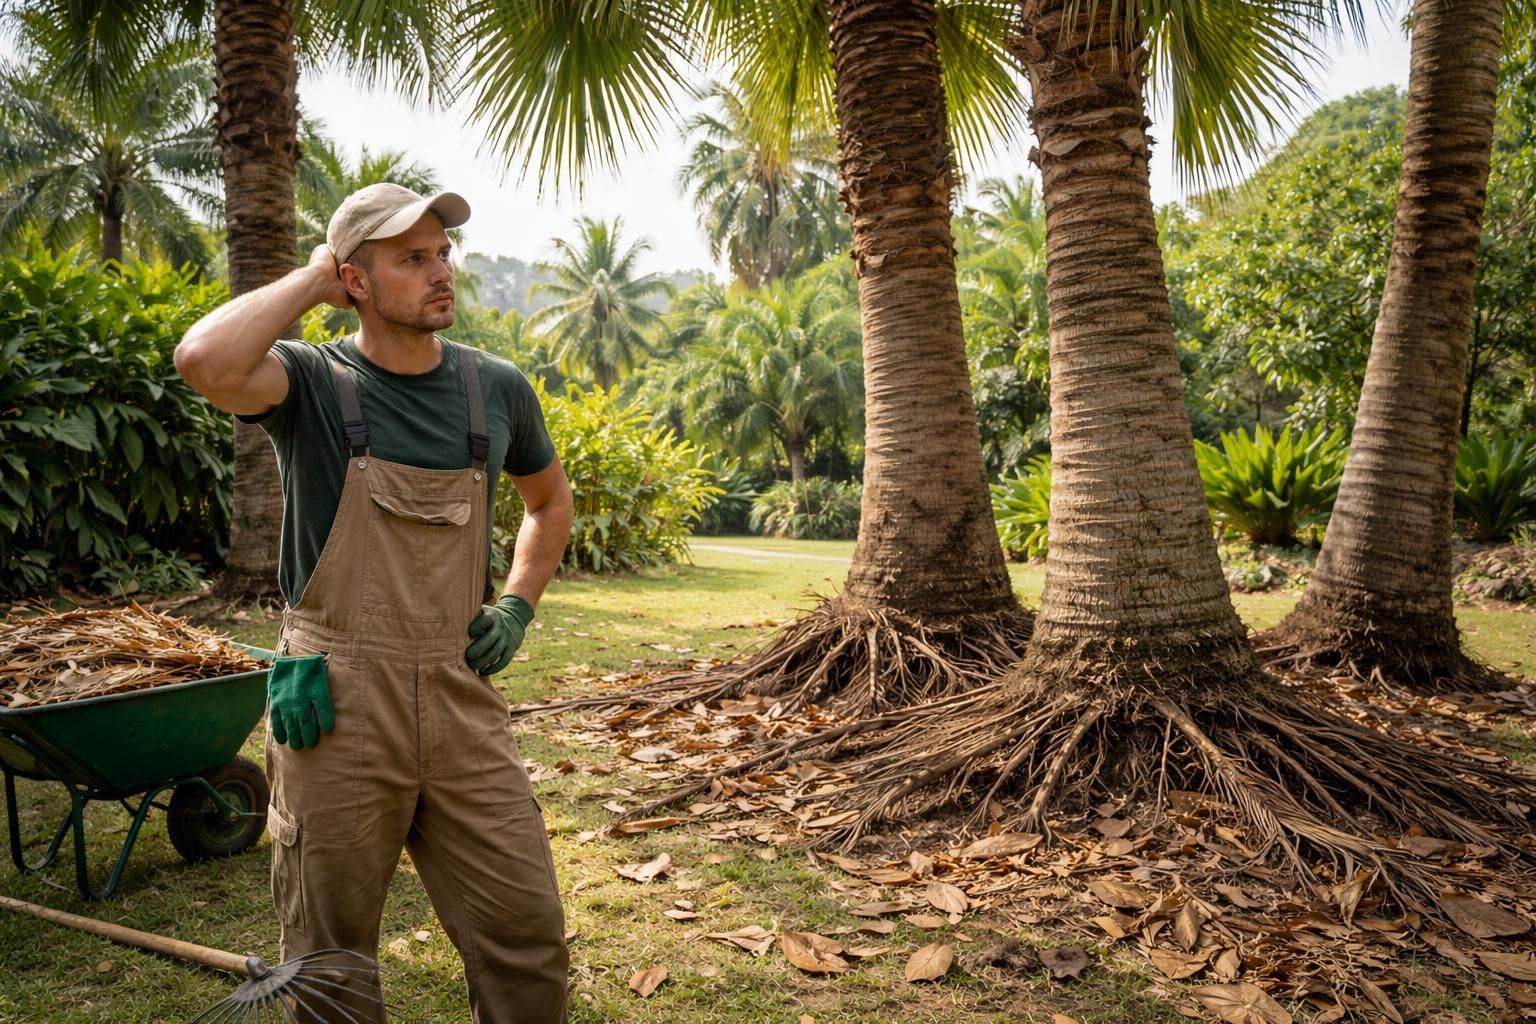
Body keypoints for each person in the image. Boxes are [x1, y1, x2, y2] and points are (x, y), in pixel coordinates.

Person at [175, 183, 572, 1023]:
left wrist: (517, 606)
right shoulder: (313, 382)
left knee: (526, 929)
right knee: (330, 949)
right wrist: (316, 275)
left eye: (443, 253)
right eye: (412, 258)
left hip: (463, 695)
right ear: (355, 280)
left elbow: (549, 503)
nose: (442, 273)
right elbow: (205, 362)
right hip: (339, 702)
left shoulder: (495, 389)